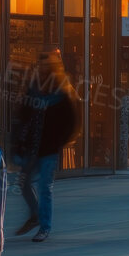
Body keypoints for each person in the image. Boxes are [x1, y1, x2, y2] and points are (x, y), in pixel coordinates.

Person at [10, 52, 78, 242]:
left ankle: (44, 226)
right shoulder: (33, 89)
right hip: (32, 147)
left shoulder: (61, 93)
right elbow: (22, 116)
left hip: (48, 149)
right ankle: (35, 215)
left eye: (45, 67)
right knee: (24, 183)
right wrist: (17, 142)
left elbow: (72, 121)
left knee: (44, 187)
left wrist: (59, 141)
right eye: (40, 67)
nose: (41, 70)